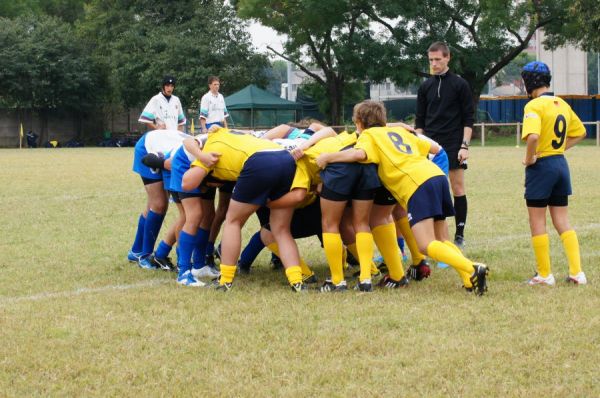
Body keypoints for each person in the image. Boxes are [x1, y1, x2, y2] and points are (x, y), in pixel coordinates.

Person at [317, 100, 488, 295]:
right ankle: (468, 279)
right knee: (441, 239)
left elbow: (359, 154)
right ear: (384, 119)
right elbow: (432, 149)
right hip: (436, 176)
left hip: (416, 184)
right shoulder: (399, 132)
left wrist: (328, 157)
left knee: (425, 244)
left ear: (359, 123)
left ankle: (472, 267)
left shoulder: (369, 135)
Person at [182, 127, 305, 292]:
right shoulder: (226, 133)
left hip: (259, 161)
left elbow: (187, 183)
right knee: (281, 229)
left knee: (233, 221)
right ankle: (297, 281)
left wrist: (201, 160)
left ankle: (225, 281)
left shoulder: (210, 146)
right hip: (285, 158)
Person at [520, 61, 587, 286]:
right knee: (562, 220)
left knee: (537, 222)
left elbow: (533, 137)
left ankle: (544, 274)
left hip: (542, 168)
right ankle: (577, 272)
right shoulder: (562, 104)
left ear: (529, 82)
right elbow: (581, 132)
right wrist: (559, 150)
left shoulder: (533, 106)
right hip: (560, 165)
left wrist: (530, 158)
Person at [415, 42, 474, 248]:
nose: (434, 64)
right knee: (430, 190)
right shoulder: (425, 87)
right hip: (430, 145)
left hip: (453, 143)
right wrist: (418, 146)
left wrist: (464, 146)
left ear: (448, 58)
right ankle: (434, 234)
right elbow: (420, 122)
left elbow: (468, 119)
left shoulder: (460, 84)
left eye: (438, 59)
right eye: (431, 60)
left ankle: (459, 234)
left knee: (457, 187)